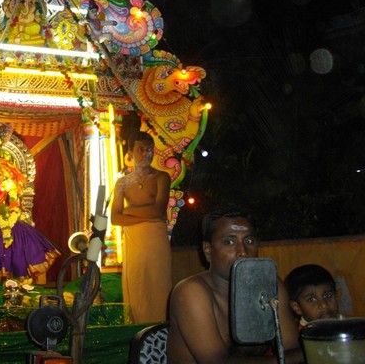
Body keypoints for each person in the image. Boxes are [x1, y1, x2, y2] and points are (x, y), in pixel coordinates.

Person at [167, 207, 304, 363]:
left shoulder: (269, 285)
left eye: (249, 241)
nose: (242, 252)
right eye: (229, 242)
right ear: (208, 250)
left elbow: (291, 349)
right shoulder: (191, 292)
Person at [111, 130, 172, 323]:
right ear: (130, 153)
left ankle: (162, 331)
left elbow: (158, 211)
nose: (146, 154)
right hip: (134, 240)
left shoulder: (161, 177)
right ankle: (138, 332)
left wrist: (128, 211)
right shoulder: (122, 183)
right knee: (137, 288)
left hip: (156, 240)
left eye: (149, 150)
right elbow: (115, 218)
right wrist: (146, 215)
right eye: (140, 149)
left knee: (159, 285)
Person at [284, 264, 341, 331]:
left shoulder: (345, 328)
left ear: (336, 296)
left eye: (328, 295)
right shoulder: (300, 335)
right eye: (311, 299)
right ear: (297, 307)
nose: (324, 305)